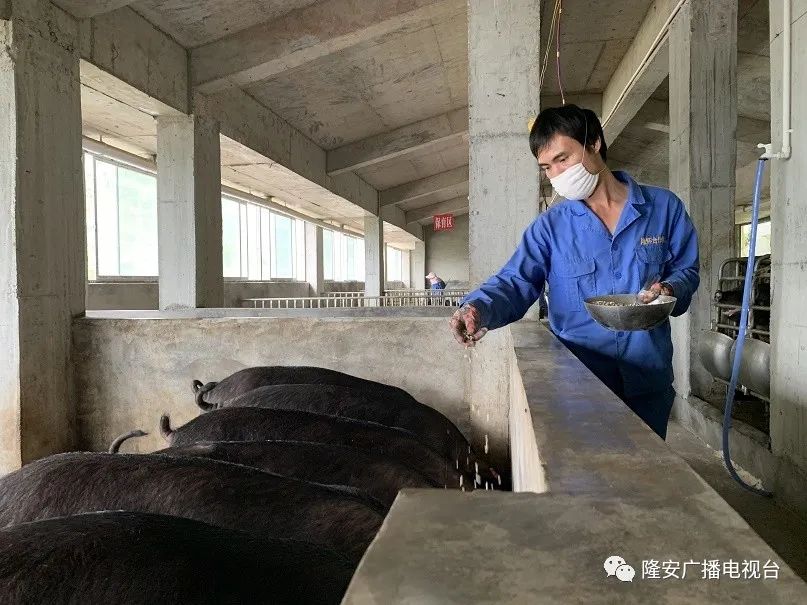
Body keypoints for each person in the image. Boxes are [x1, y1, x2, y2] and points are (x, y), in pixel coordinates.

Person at [449, 105, 699, 440]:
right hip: (580, 383)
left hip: (646, 379)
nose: (556, 174)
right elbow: (515, 281)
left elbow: (686, 269)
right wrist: (478, 308)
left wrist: (670, 288)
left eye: (563, 159)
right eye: (547, 167)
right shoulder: (550, 228)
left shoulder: (664, 208)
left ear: (594, 142)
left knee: (643, 481)